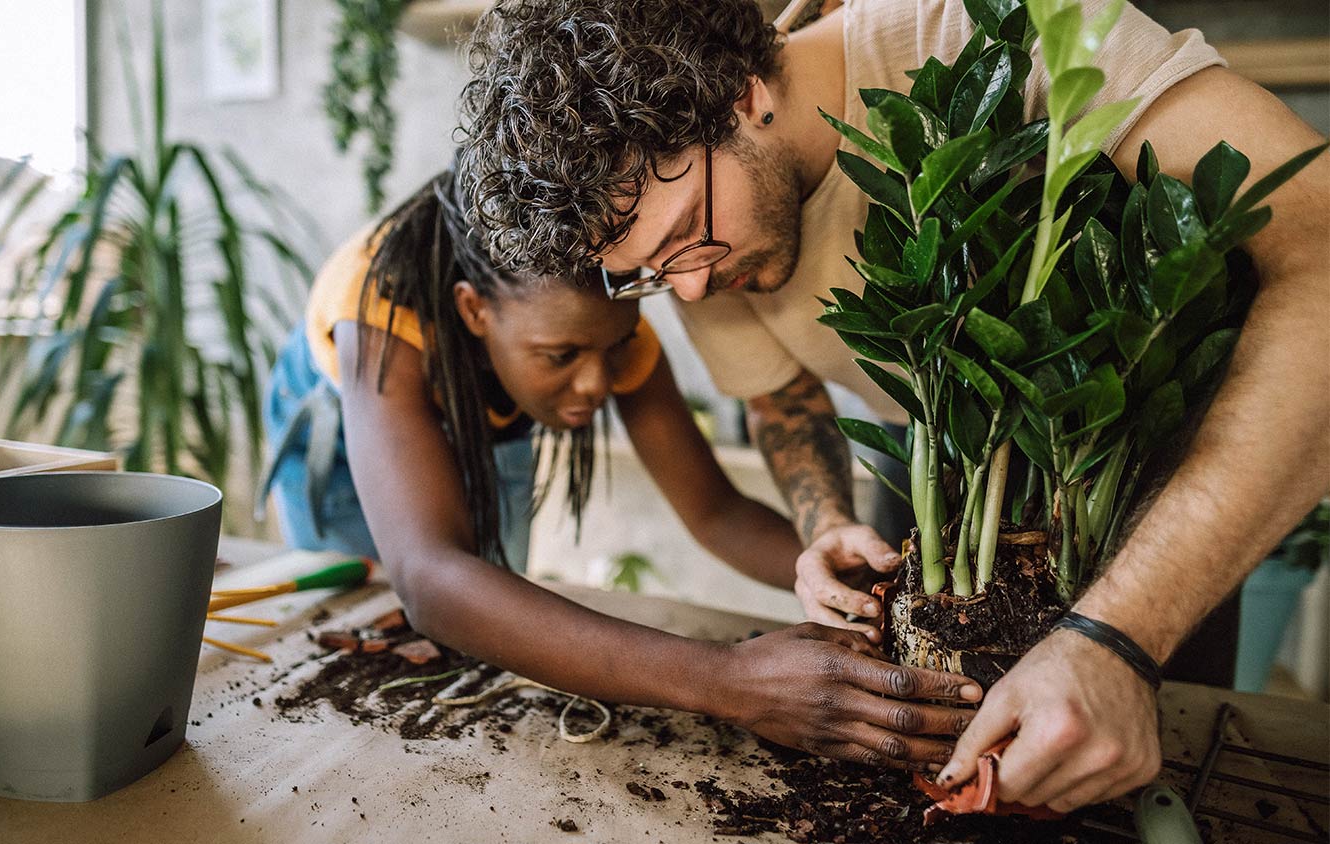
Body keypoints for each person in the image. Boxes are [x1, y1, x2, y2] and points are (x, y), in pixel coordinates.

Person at [454, 0, 1329, 812]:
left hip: (1151, 490)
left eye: (683, 236)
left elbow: (1320, 254)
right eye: (644, 273)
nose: (686, 290)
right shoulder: (703, 228)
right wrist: (824, 525)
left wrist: (1120, 639)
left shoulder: (992, 36)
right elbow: (783, 398)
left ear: (744, 95)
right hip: (939, 477)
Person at [263, 166, 984, 767]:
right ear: (473, 311)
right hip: (345, 424)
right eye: (561, 358)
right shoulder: (380, 306)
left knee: (484, 634)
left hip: (489, 409)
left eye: (614, 348)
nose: (597, 385)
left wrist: (851, 581)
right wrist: (726, 680)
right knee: (372, 643)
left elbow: (715, 512)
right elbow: (430, 578)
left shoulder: (599, 331)